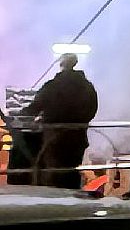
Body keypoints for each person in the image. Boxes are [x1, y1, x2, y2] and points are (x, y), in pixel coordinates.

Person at [22, 53, 97, 188]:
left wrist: (22, 114)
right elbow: (92, 108)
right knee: (71, 170)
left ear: (61, 64)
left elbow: (35, 107)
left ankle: (54, 201)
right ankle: (71, 198)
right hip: (78, 137)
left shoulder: (52, 86)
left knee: (54, 171)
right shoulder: (87, 87)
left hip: (55, 137)